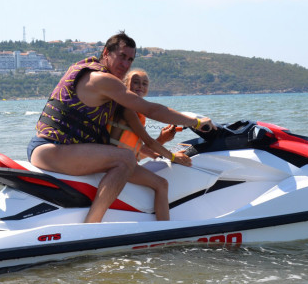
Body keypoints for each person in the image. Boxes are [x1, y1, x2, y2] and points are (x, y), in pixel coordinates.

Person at [27, 31, 214, 223]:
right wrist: (196, 122)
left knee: (158, 182)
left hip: (66, 150)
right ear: (106, 53)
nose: (125, 64)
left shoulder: (91, 75)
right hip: (51, 149)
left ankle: (163, 231)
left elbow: (140, 141)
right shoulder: (101, 79)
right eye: (122, 56)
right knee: (125, 158)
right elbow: (151, 109)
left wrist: (170, 151)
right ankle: (91, 225)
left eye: (130, 60)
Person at [108, 68, 192, 165]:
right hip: (115, 163)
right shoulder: (127, 109)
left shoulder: (136, 109)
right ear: (125, 84)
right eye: (136, 82)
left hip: (123, 162)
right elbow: (149, 142)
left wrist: (161, 146)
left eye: (144, 84)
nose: (140, 86)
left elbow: (138, 149)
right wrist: (173, 157)